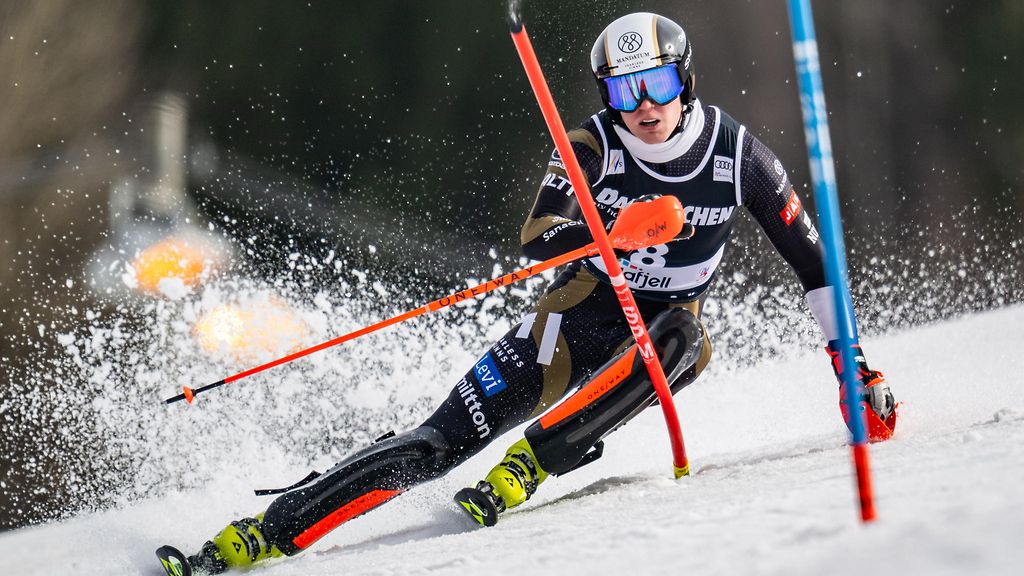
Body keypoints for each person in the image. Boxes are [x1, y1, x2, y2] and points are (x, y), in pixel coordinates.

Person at [156, 11, 897, 575]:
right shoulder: (591, 145)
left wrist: (850, 365)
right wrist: (618, 225)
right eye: (624, 89)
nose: (644, 106)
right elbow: (540, 235)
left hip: (661, 326)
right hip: (574, 315)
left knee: (685, 340)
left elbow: (815, 264)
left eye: (660, 85)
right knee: (435, 443)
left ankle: (532, 463)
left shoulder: (739, 157)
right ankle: (258, 536)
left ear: (687, 82)